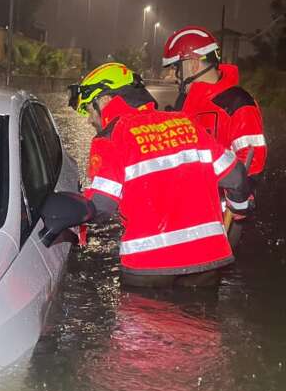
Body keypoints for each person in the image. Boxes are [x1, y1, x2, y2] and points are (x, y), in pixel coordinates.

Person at [45, 62, 253, 287]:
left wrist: (68, 210)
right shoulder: (188, 122)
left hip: (148, 266)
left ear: (105, 101)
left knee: (145, 321)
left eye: (89, 109)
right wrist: (239, 209)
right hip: (206, 262)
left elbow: (102, 206)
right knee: (201, 320)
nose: (88, 119)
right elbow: (237, 178)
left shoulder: (111, 138)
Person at [161, 26, 268, 243]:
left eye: (175, 68)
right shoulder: (185, 103)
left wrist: (236, 200)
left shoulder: (237, 102)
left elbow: (251, 161)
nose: (172, 77)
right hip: (183, 210)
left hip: (222, 215)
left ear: (192, 64)